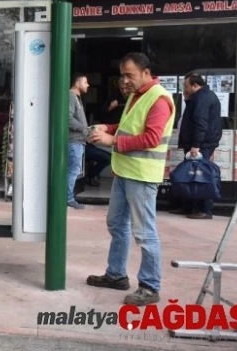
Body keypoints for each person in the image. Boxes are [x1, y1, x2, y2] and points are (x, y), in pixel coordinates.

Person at [87, 52, 175, 306]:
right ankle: (116, 275)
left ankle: (150, 285)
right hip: (125, 172)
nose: (124, 80)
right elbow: (130, 126)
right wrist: (108, 127)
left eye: (129, 75)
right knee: (117, 224)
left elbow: (151, 138)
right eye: (122, 75)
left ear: (146, 73)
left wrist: (112, 140)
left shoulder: (158, 98)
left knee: (144, 233)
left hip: (142, 175)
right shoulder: (139, 96)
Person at [170, 74, 222, 219]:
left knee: (202, 176)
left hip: (201, 145)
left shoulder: (203, 97)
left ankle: (205, 209)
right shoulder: (200, 96)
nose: (184, 89)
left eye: (186, 86)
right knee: (191, 176)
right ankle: (190, 206)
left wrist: (195, 145)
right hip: (199, 143)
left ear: (195, 85)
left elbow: (200, 123)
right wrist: (187, 100)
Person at [84, 79, 131, 186]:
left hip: (126, 135)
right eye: (122, 88)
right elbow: (101, 113)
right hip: (109, 132)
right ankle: (92, 176)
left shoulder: (135, 99)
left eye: (126, 88)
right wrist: (110, 107)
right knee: (107, 157)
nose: (124, 91)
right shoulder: (113, 97)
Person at [67, 73, 90, 209]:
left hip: (78, 141)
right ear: (77, 83)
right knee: (73, 170)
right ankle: (69, 198)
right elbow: (67, 118)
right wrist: (84, 129)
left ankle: (68, 197)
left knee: (73, 170)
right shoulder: (71, 96)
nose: (88, 85)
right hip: (74, 141)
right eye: (85, 82)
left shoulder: (77, 98)